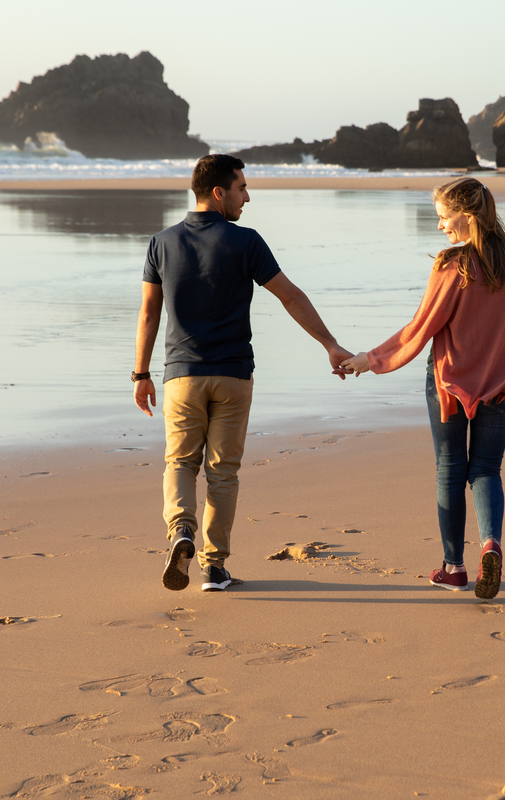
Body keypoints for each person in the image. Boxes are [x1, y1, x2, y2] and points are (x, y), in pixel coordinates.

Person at [134, 154, 351, 592]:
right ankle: (214, 567)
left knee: (179, 462)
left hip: (181, 376)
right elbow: (290, 297)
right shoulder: (246, 242)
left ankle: (181, 531)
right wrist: (330, 344)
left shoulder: (161, 243)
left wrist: (140, 374)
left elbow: (148, 315)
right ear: (219, 193)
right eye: (241, 188)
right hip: (233, 376)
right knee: (223, 472)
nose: (246, 197)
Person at [340, 177, 505, 600]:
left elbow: (420, 328)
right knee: (485, 470)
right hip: (502, 385)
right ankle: (491, 544)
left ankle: (454, 567)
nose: (441, 226)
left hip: (451, 385)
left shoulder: (454, 265)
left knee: (450, 470)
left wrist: (369, 360)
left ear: (467, 214)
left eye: (444, 217)